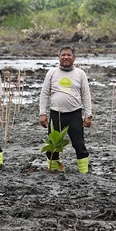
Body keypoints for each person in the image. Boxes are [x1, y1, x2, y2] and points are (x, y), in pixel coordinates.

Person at [39, 45, 93, 173]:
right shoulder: (51, 73)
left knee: (79, 144)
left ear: (74, 58)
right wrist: (42, 113)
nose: (66, 57)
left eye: (69, 55)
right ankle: (52, 170)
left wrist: (88, 115)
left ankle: (83, 171)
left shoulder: (80, 74)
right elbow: (44, 93)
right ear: (59, 57)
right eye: (63, 55)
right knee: (53, 145)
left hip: (75, 114)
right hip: (55, 114)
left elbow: (86, 95)